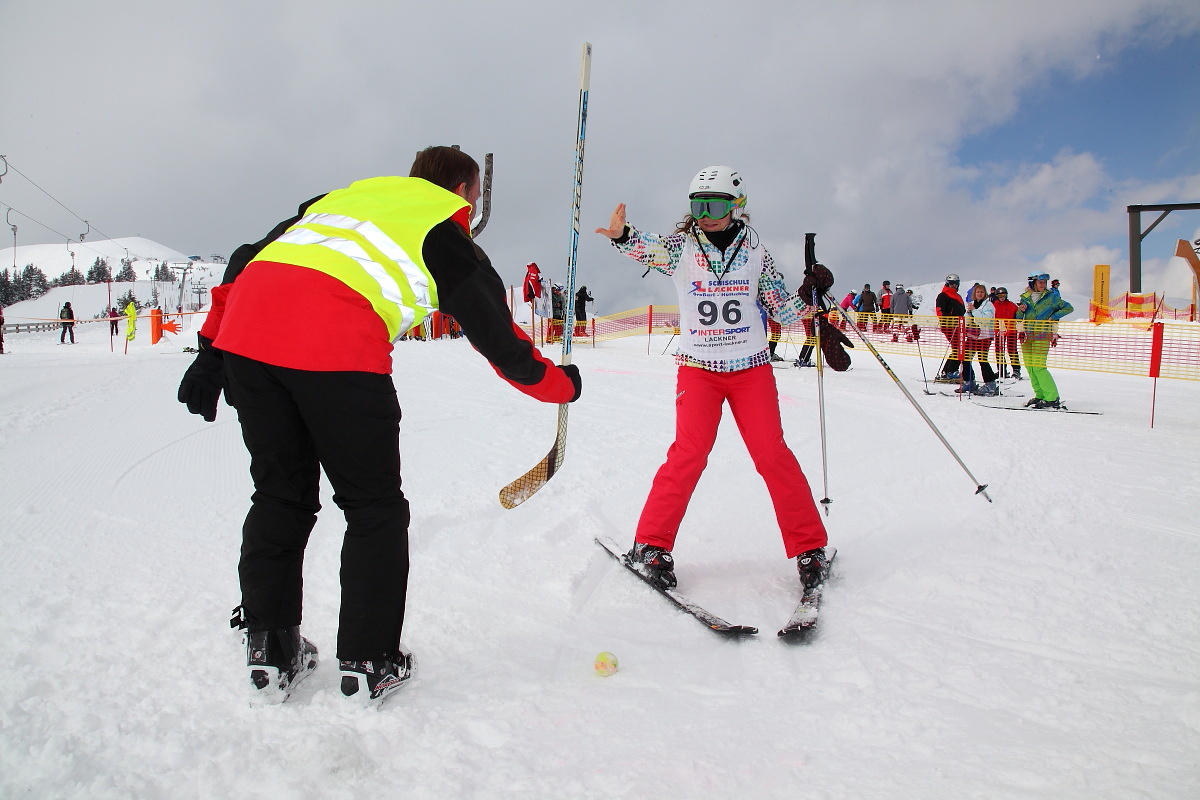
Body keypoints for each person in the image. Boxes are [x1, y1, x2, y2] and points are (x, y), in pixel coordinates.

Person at [177, 146, 581, 706]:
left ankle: (272, 647)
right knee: (373, 508)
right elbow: (499, 340)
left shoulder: (343, 198)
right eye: (476, 197)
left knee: (280, 494)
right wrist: (561, 386)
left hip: (247, 342)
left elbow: (248, 259)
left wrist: (209, 351)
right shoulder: (443, 229)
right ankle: (370, 660)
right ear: (465, 190)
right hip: (335, 352)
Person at [594, 164, 832, 596]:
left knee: (771, 454)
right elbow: (647, 248)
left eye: (714, 204)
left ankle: (810, 549)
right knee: (688, 454)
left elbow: (779, 307)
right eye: (698, 204)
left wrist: (809, 297)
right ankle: (649, 546)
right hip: (699, 370)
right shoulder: (682, 247)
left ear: (736, 205)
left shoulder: (757, 251)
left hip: (750, 370)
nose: (705, 213)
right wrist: (623, 236)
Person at [1017, 272, 1073, 408]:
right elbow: (1019, 316)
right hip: (1028, 336)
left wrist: (1054, 316)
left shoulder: (1051, 298)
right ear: (1033, 283)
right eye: (1040, 282)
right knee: (1030, 367)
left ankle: (1052, 397)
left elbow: (1069, 308)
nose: (1042, 285)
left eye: (1044, 282)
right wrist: (1020, 312)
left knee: (1039, 367)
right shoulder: (1025, 297)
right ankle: (1040, 395)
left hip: (1042, 336)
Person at [956, 283, 999, 395]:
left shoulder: (989, 305)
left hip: (985, 336)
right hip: (973, 335)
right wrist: (968, 313)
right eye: (978, 292)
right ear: (974, 293)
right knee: (965, 358)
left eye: (982, 292)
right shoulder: (973, 304)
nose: (979, 294)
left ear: (985, 294)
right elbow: (968, 320)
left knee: (982, 359)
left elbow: (985, 319)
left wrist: (974, 311)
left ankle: (990, 383)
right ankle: (969, 381)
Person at [934, 274, 965, 380]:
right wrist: (948, 320)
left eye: (956, 284)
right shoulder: (943, 295)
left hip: (958, 326)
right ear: (947, 283)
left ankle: (947, 371)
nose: (954, 286)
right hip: (949, 326)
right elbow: (939, 311)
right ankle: (950, 371)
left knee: (959, 348)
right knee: (959, 347)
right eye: (952, 283)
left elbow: (962, 311)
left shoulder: (958, 296)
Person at [991, 286, 1020, 379]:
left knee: (1012, 350)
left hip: (1011, 331)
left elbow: (1018, 315)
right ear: (997, 296)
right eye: (1000, 295)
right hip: (999, 332)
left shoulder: (1012, 305)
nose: (1002, 296)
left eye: (1004, 294)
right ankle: (1002, 370)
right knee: (999, 351)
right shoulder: (993, 306)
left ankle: (1016, 370)